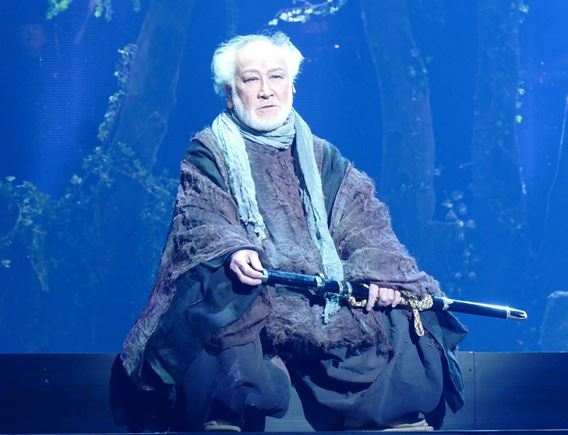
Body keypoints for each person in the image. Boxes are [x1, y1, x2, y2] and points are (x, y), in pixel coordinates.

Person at [121, 32, 466, 432]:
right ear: (231, 94)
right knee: (215, 292)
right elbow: (202, 215)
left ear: (292, 87)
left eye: (277, 77)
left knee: (398, 311)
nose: (266, 91)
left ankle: (397, 420)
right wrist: (234, 249)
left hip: (320, 295)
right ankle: (224, 418)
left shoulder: (323, 156)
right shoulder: (209, 150)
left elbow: (364, 223)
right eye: (252, 79)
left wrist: (379, 275)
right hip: (254, 291)